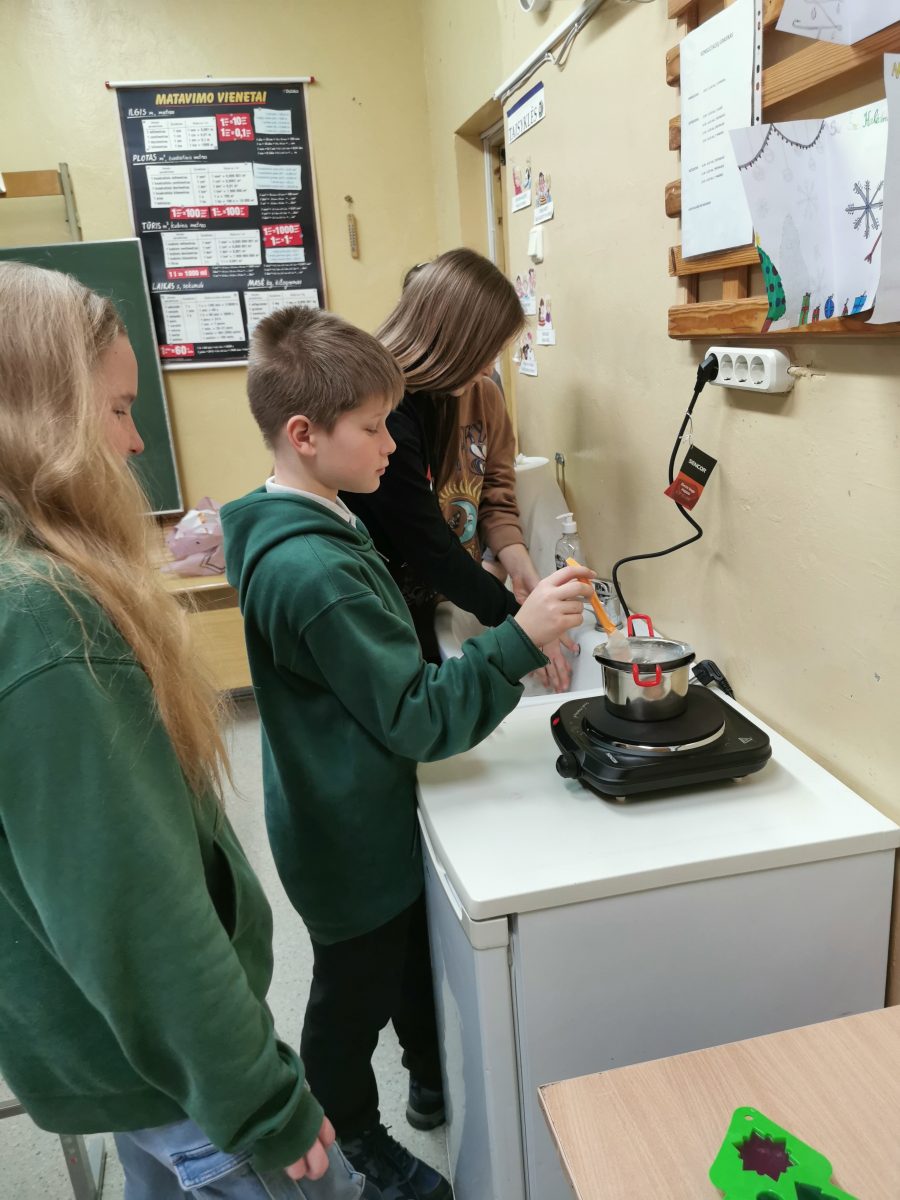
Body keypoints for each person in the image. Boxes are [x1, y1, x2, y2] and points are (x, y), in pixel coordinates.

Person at [0, 262, 379, 1200]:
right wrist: (262, 1103)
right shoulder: (46, 618)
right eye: (119, 410)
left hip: (120, 1054)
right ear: (39, 416)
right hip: (183, 1075)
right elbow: (137, 908)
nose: (136, 443)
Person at [220, 306, 593, 1200]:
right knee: (349, 1001)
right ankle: (352, 1140)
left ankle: (425, 1078)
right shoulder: (314, 571)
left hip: (345, 804)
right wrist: (518, 638)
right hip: (346, 833)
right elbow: (416, 717)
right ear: (305, 435)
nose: (394, 445)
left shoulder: (314, 520)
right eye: (374, 427)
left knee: (393, 970)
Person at [344, 249, 574, 690]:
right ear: (453, 343)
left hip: (417, 592)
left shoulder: (440, 395)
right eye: (484, 354)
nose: (489, 369)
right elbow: (429, 546)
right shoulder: (389, 412)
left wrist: (516, 569)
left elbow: (490, 497)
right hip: (375, 598)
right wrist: (522, 625)